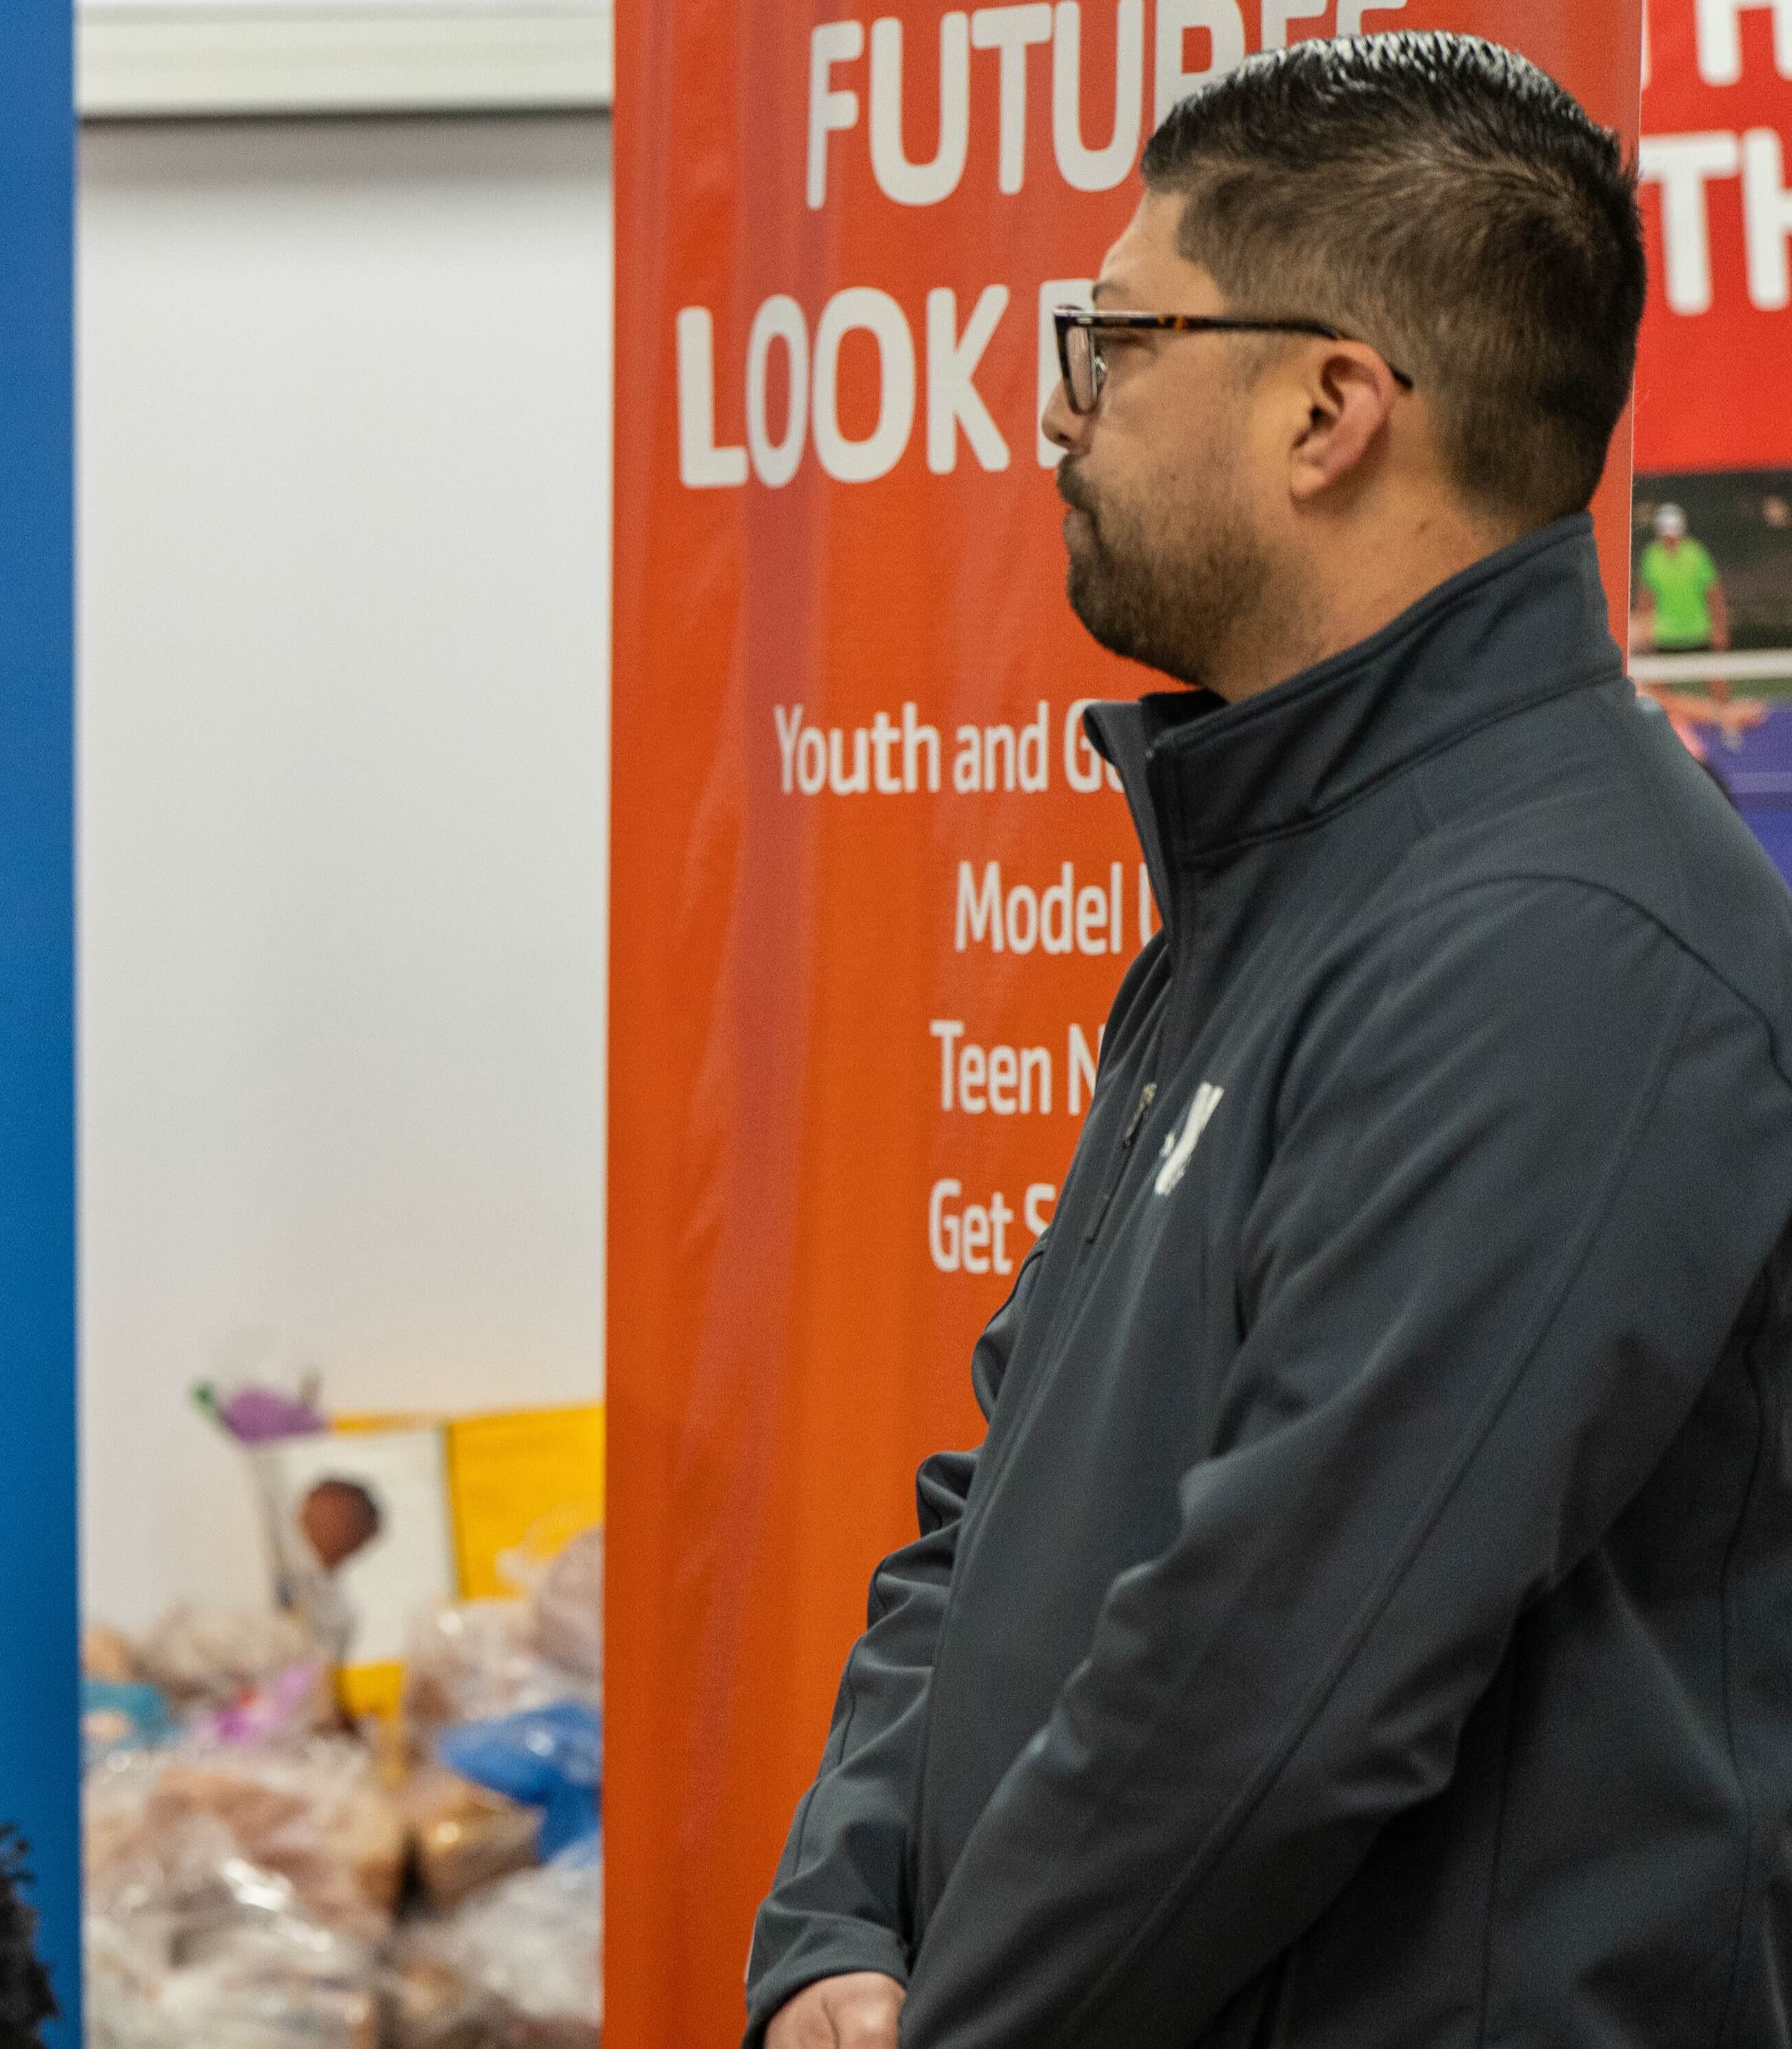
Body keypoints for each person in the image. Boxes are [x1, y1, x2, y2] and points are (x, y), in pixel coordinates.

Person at [753, 35, 1792, 2049]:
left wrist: (945, 2017)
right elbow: (998, 1500)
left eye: (1112, 340)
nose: (1057, 416)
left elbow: (1262, 1702)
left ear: (1327, 409)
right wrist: (827, 1933)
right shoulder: (1286, 870)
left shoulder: (1562, 956)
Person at [1640, 499, 1731, 654]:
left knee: (1716, 676)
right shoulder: (1651, 555)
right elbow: (1647, 597)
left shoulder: (1697, 553)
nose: (1670, 538)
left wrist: (1720, 630)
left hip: (1699, 634)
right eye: (1666, 531)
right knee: (1657, 678)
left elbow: (1714, 594)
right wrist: (1646, 632)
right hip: (1665, 637)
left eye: (1673, 530)